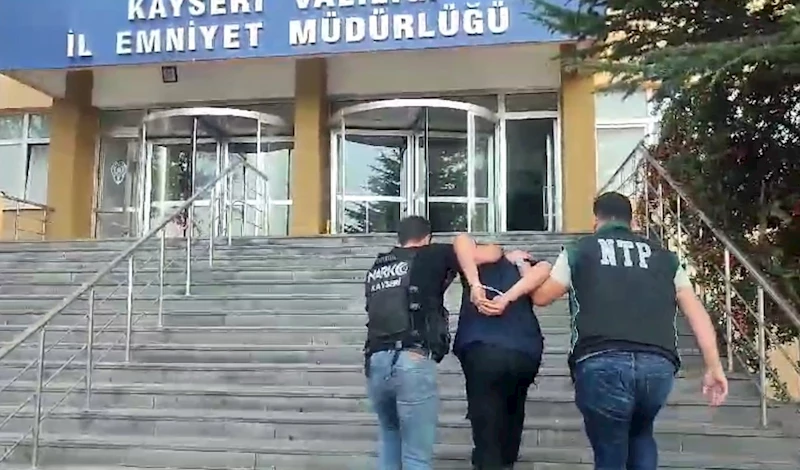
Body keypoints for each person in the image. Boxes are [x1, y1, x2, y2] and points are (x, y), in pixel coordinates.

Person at [529, 192, 729, 470]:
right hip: (658, 365)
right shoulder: (666, 258)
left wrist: (526, 273)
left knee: (609, 449)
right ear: (632, 221)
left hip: (601, 360)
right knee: (641, 433)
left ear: (596, 220)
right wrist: (714, 366)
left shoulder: (579, 250)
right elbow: (695, 311)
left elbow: (542, 297)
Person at [363, 216, 503, 470]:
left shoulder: (378, 266)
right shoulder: (434, 254)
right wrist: (499, 256)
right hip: (412, 357)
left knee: (390, 439)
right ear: (427, 238)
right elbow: (489, 254)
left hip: (377, 361)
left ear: (399, 238)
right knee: (416, 455)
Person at [453, 241, 552, 470]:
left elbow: (462, 241)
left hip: (483, 349)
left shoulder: (475, 266)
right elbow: (544, 268)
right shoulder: (522, 270)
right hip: (523, 351)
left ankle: (492, 461)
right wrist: (519, 266)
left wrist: (480, 286)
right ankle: (506, 460)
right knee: (512, 414)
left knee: (487, 426)